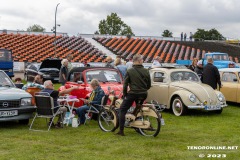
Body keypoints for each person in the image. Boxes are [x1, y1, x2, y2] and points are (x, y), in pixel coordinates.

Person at [116, 54, 151, 136]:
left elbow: (125, 85)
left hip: (133, 93)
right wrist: (144, 89)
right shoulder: (146, 70)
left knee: (122, 110)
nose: (143, 61)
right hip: (144, 93)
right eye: (142, 60)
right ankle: (138, 127)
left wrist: (125, 94)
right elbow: (149, 84)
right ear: (139, 61)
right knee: (138, 108)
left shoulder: (130, 71)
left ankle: (121, 131)